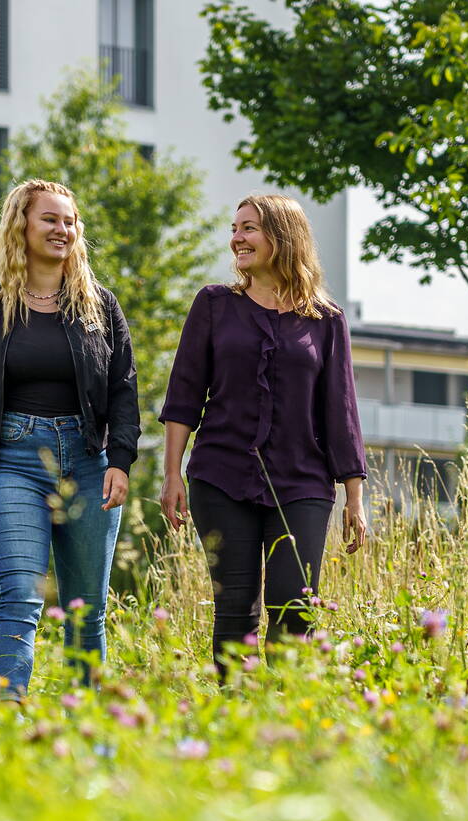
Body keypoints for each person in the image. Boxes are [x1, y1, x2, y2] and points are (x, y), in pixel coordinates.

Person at [0, 179, 140, 702]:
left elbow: (124, 389)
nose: (63, 229)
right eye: (50, 219)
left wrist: (120, 459)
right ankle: (9, 715)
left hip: (90, 463)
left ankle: (89, 726)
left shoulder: (100, 307)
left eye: (70, 221)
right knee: (20, 597)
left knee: (85, 607)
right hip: (15, 462)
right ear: (21, 226)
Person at [158, 194, 367, 680]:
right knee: (235, 607)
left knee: (295, 606)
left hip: (303, 483)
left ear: (282, 234)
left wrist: (355, 498)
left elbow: (342, 411)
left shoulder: (326, 320)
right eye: (235, 229)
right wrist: (172, 475)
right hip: (221, 476)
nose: (237, 238)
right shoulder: (214, 305)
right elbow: (184, 394)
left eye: (249, 228)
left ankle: (283, 713)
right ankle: (236, 715)